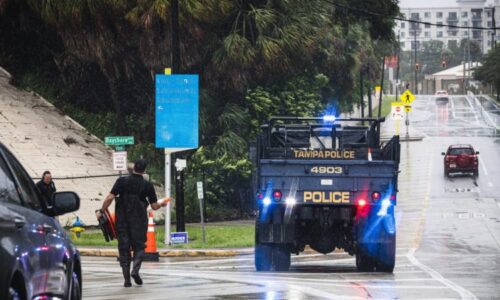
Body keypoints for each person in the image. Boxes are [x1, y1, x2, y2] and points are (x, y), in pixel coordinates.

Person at [96, 159, 167, 287]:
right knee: (139, 247)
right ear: (144, 170)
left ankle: (127, 280)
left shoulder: (122, 181)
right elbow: (154, 206)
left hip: (122, 220)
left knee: (124, 249)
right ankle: (135, 270)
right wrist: (162, 204)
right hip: (139, 221)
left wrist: (102, 210)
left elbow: (110, 197)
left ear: (134, 167)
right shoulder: (147, 185)